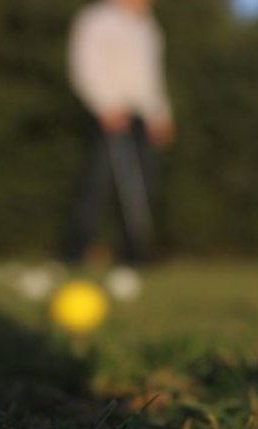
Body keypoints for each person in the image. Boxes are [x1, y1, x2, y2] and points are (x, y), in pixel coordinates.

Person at [63, 0, 174, 265]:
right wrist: (105, 104)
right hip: (108, 114)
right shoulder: (98, 19)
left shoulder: (148, 27)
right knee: (97, 184)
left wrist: (160, 114)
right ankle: (73, 251)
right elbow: (85, 65)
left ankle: (134, 252)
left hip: (140, 117)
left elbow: (150, 77)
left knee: (140, 187)